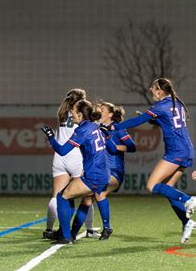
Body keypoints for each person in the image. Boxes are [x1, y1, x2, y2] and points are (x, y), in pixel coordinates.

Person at [107, 78, 196, 243]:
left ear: (160, 91)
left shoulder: (160, 106)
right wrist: (153, 119)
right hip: (187, 149)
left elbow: (136, 122)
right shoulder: (178, 104)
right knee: (167, 188)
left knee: (151, 185)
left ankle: (189, 200)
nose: (150, 89)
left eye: (153, 88)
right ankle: (186, 222)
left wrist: (114, 127)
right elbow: (169, 122)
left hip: (176, 151)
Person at [42, 100, 109, 244]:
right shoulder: (94, 126)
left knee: (61, 197)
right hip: (103, 174)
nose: (71, 114)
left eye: (73, 112)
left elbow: (62, 151)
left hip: (93, 176)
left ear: (79, 114)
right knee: (81, 199)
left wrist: (50, 137)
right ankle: (69, 233)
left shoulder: (82, 130)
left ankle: (66, 236)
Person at [73, 101, 136, 240]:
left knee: (100, 192)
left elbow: (132, 147)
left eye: (103, 109)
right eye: (99, 108)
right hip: (100, 171)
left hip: (115, 171)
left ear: (111, 114)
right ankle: (72, 233)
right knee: (86, 200)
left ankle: (107, 227)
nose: (100, 111)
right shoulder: (96, 128)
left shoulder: (117, 129)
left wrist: (113, 147)